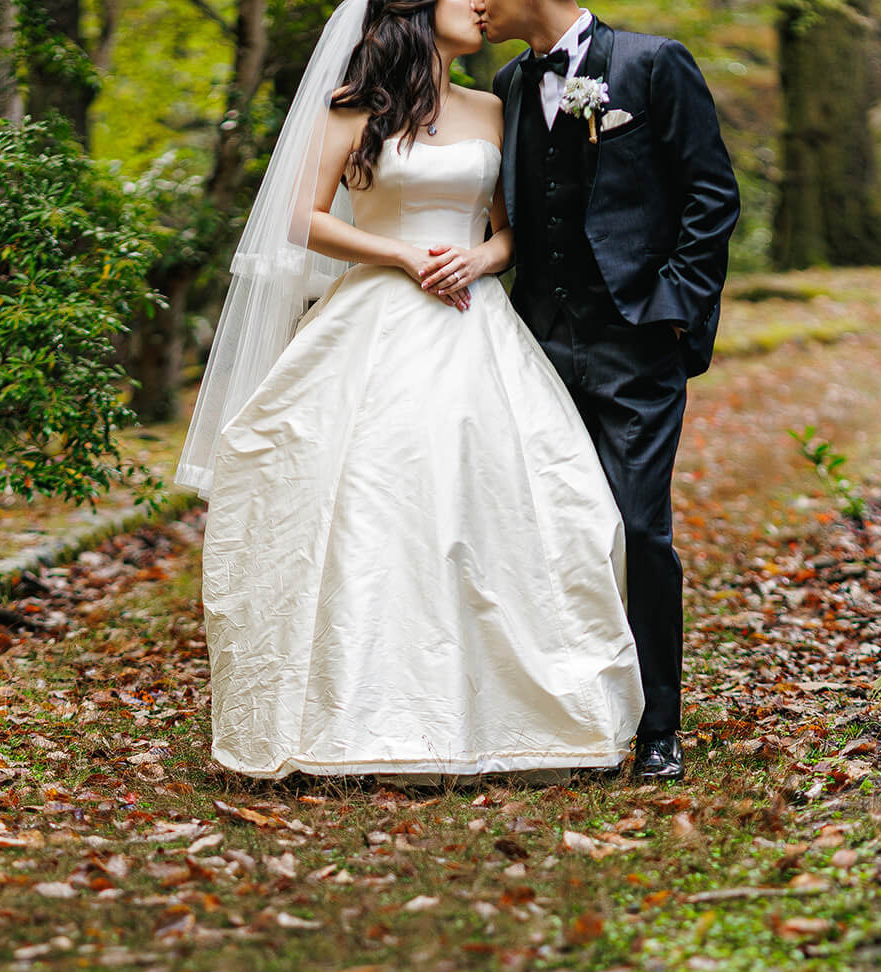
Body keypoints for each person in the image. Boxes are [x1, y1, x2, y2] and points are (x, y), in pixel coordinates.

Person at [178, 0, 643, 784]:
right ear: (415, 11)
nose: (481, 5)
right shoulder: (354, 107)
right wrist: (397, 255)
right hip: (377, 317)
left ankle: (514, 713)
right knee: (371, 505)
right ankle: (363, 711)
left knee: (505, 501)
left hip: (475, 325)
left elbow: (510, 228)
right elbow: (302, 218)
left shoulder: (495, 105)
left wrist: (482, 259)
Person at [484, 0, 741, 782]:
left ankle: (659, 727)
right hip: (535, 344)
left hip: (635, 344)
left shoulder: (653, 64)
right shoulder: (502, 83)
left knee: (637, 530)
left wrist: (673, 310)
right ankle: (572, 714)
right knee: (550, 531)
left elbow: (711, 196)